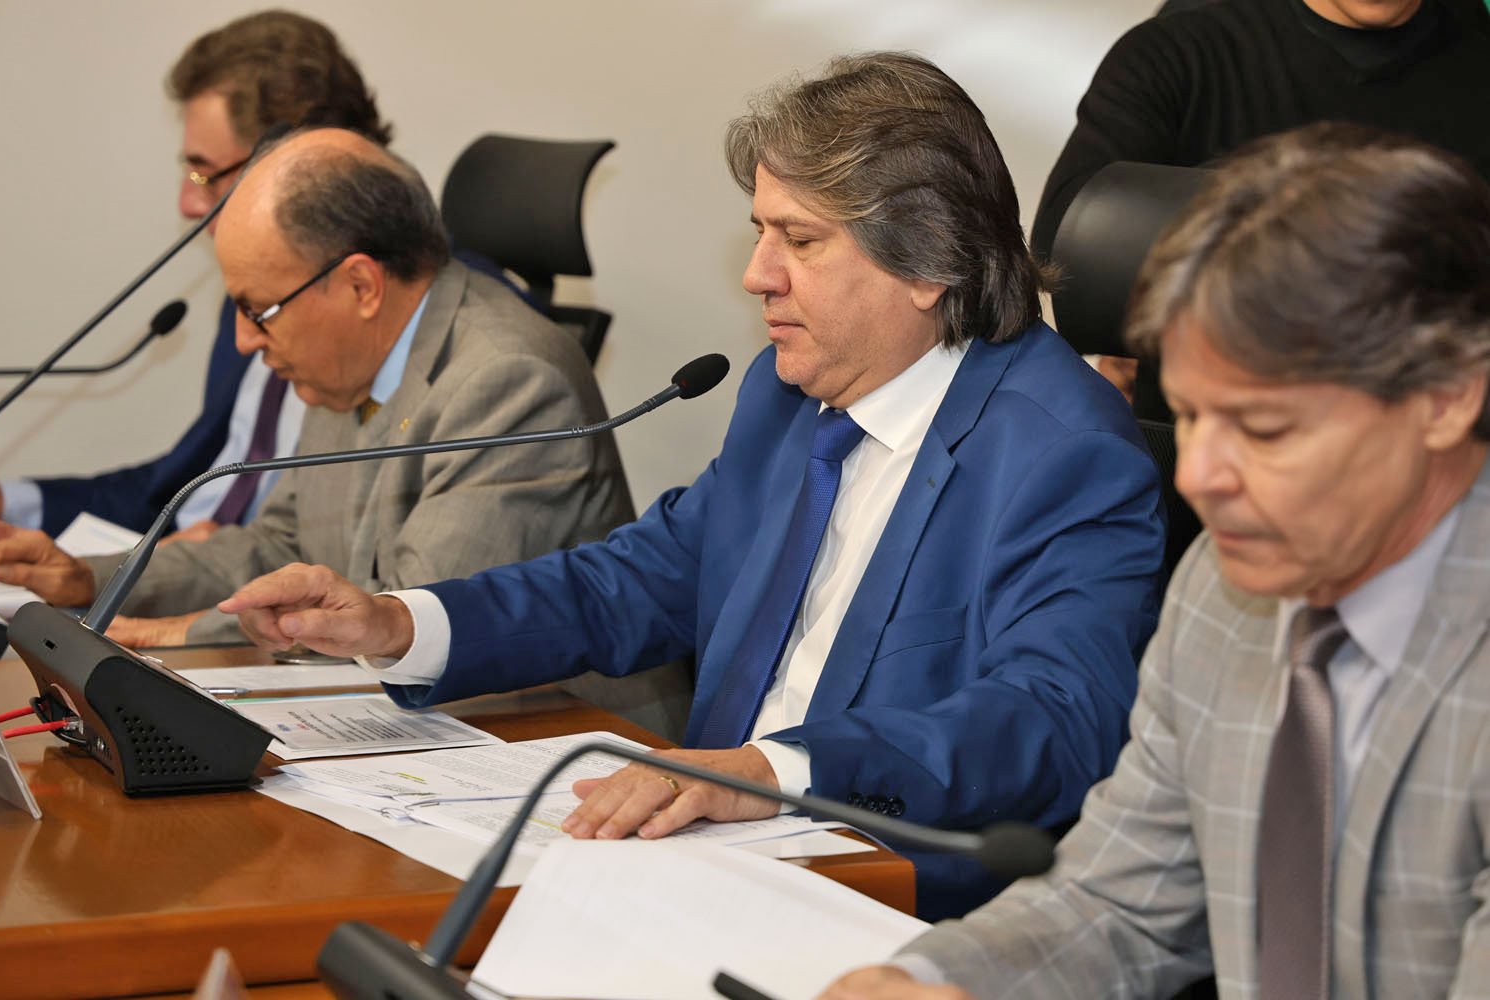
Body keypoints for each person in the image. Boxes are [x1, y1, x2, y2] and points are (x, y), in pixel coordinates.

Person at [218, 52, 1167, 920]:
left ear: (928, 262)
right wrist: (399, 623)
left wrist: (767, 774)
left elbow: (1053, 718)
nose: (757, 276)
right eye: (760, 232)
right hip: (690, 867)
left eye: (799, 239)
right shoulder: (787, 396)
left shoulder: (1063, 449)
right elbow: (639, 580)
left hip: (885, 901)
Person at [825, 123, 1490, 997]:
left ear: (1445, 399)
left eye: (1263, 429)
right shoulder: (1220, 589)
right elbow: (1120, 904)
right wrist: (929, 981)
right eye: (1191, 415)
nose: (1199, 476)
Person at [0, 128, 634, 656]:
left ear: (361, 286)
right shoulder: (349, 361)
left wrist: (181, 632)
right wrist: (90, 578)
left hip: (562, 736)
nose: (244, 340)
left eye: (258, 310)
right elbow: (275, 546)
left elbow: (404, 622)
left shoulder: (509, 382)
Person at [0, 10, 392, 539]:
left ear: (298, 160)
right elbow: (176, 490)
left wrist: (207, 567)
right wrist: (6, 503)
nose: (188, 202)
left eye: (205, 174)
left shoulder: (400, 314)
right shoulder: (249, 298)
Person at [1031, 0, 1490, 410]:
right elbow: (1071, 240)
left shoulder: (1476, 52)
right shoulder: (1184, 49)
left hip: (1429, 430)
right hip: (1208, 423)